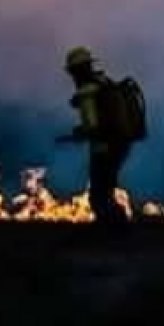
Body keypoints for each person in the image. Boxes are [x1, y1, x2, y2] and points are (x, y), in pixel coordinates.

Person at [56, 46, 133, 226]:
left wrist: (78, 133)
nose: (72, 76)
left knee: (99, 195)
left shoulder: (88, 92)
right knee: (104, 191)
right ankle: (116, 230)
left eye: (73, 71)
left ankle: (113, 232)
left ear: (78, 70)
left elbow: (93, 127)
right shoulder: (104, 83)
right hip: (119, 144)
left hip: (106, 148)